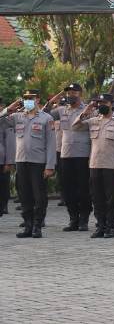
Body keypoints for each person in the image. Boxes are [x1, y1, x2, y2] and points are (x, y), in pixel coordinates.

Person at [0, 90, 56, 238]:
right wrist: (8, 109)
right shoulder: (17, 117)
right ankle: (28, 226)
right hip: (21, 161)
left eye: (30, 98)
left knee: (39, 196)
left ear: (37, 99)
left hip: (38, 162)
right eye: (25, 99)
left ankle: (37, 226)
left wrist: (50, 165)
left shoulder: (46, 118)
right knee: (24, 196)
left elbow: (51, 144)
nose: (28, 101)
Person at [73, 94, 114, 239]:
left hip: (112, 165)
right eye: (99, 102)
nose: (101, 104)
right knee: (97, 198)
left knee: (112, 198)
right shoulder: (93, 120)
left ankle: (110, 226)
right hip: (95, 165)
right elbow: (76, 127)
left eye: (104, 102)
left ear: (112, 104)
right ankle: (100, 226)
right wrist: (87, 109)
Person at [44, 83, 92, 232]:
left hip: (83, 154)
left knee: (83, 189)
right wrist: (55, 98)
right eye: (68, 93)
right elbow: (45, 114)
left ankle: (84, 219)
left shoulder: (89, 110)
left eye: (73, 92)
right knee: (68, 189)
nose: (70, 95)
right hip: (66, 154)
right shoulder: (61, 110)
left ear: (80, 94)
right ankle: (73, 219)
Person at [0, 98, 15, 216]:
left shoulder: (6, 121)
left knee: (3, 187)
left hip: (2, 161)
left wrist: (9, 162)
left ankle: (3, 206)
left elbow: (10, 142)